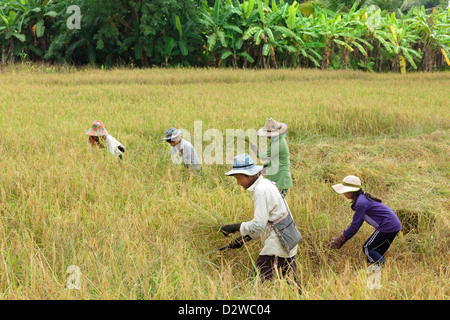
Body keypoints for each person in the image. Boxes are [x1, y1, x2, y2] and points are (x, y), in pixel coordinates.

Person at [220, 153, 298, 282]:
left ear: (250, 175)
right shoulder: (266, 184)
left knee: (258, 281)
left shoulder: (260, 191)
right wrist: (243, 239)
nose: (238, 183)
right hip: (288, 235)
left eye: (239, 178)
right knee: (291, 281)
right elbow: (270, 220)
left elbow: (259, 224)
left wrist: (234, 227)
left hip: (279, 240)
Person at [328, 175, 402, 266]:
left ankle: (384, 269)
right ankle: (378, 273)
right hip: (392, 225)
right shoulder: (362, 199)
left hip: (387, 226)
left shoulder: (361, 203)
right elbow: (357, 226)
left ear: (352, 191)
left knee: (368, 247)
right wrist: (341, 241)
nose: (344, 194)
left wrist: (339, 239)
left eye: (345, 191)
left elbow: (354, 226)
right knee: (375, 252)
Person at [251, 118, 293, 197]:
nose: (267, 137)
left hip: (281, 179)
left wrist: (255, 150)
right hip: (277, 176)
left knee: (278, 202)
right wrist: (263, 169)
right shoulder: (277, 140)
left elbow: (264, 157)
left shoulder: (277, 144)